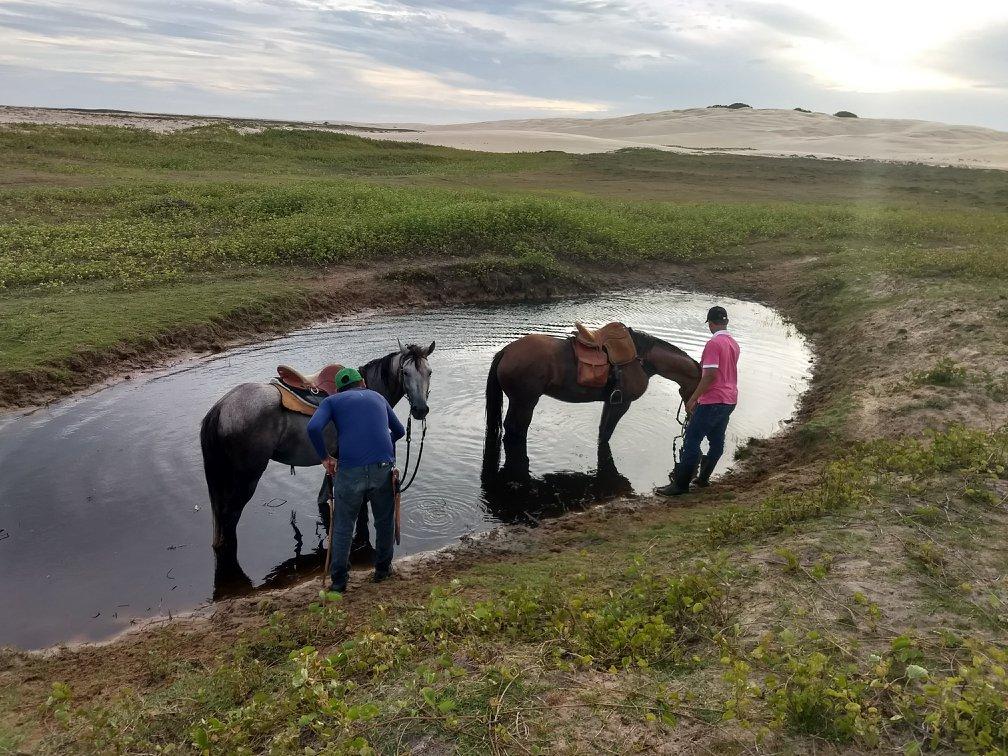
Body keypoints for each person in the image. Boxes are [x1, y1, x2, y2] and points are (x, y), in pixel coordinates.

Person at [306, 366, 406, 592]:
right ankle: (382, 571)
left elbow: (313, 428)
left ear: (339, 390)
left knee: (342, 527)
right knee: (383, 522)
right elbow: (399, 431)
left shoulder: (332, 402)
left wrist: (325, 458)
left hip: (349, 472)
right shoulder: (378, 396)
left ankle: (339, 583)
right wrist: (385, 448)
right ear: (362, 382)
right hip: (383, 469)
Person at [657, 306, 740, 496]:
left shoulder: (713, 344)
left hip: (713, 400)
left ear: (710, 324)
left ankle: (680, 485)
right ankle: (703, 479)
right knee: (717, 440)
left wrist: (693, 398)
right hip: (730, 399)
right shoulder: (734, 344)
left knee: (692, 440)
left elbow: (710, 375)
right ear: (726, 322)